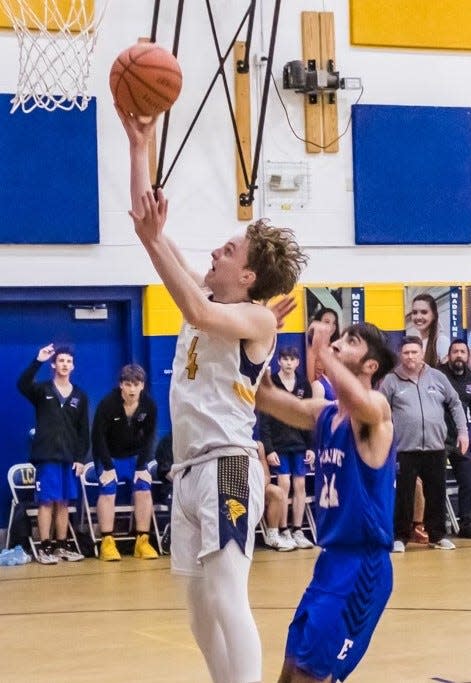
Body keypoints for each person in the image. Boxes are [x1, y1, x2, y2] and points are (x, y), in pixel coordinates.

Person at [118, 108, 308, 683]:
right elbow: (150, 227)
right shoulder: (208, 293)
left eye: (228, 250)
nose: (215, 253)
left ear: (249, 276)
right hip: (188, 469)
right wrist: (138, 148)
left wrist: (152, 244)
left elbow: (194, 308)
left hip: (227, 464)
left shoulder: (255, 318)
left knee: (227, 596)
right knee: (200, 614)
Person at [256, 321, 397, 683]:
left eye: (350, 342)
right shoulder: (326, 414)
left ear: (370, 367)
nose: (336, 345)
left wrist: (319, 352)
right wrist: (256, 342)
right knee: (289, 673)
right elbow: (268, 398)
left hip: (363, 567)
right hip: (329, 564)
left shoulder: (376, 412)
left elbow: (363, 402)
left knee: (311, 676)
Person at [380, 336, 468, 552]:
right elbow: (379, 410)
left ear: (421, 353)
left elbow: (456, 403)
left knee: (436, 493)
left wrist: (463, 432)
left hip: (436, 447)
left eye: (414, 352)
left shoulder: (437, 377)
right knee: (404, 495)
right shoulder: (391, 381)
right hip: (404, 449)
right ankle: (400, 537)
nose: (410, 356)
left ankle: (437, 536)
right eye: (406, 353)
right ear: (401, 355)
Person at [17, 344, 89, 564]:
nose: (65, 364)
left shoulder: (80, 396)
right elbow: (22, 384)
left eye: (68, 361)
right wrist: (37, 359)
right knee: (47, 502)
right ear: (53, 364)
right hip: (46, 456)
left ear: (73, 366)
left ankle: (62, 545)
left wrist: (80, 458)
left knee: (64, 502)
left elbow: (83, 431)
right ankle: (45, 547)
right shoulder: (42, 391)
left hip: (69, 457)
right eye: (61, 361)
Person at [92, 364, 158, 561]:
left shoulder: (149, 406)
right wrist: (108, 467)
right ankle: (107, 542)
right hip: (108, 456)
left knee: (144, 488)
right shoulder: (107, 404)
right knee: (108, 489)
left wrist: (141, 466)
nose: (131, 389)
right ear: (121, 385)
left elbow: (150, 437)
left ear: (142, 386)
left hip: (135, 457)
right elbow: (97, 438)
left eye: (136, 384)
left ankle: (142, 541)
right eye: (127, 384)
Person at [258, 346, 315, 550]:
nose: (289, 363)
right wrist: (269, 448)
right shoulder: (271, 383)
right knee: (284, 484)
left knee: (300, 485)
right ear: (279, 361)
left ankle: (297, 529)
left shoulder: (303, 384)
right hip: (279, 445)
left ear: (298, 362)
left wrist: (311, 446)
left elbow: (308, 416)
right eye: (285, 359)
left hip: (299, 444)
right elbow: (263, 420)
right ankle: (282, 529)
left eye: (293, 359)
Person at [439, 339, 471, 537]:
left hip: (461, 438)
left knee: (468, 478)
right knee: (435, 481)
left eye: (462, 352)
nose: (459, 355)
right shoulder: (439, 375)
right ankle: (434, 525)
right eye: (455, 352)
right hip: (438, 438)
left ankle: (467, 522)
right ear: (449, 355)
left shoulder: (470, 378)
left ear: (467, 357)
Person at [256, 441, 294, 552]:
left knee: (277, 492)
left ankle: (272, 535)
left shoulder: (258, 445)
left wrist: (260, 486)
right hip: (236, 485)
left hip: (257, 485)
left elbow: (266, 474)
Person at [406, 293, 450, 367]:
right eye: (414, 312)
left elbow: (447, 376)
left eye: (424, 312)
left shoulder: (441, 341)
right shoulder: (416, 341)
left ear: (434, 315)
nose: (418, 317)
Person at [306, 308, 340, 384]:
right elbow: (310, 382)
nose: (331, 326)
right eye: (327, 322)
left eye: (334, 323)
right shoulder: (311, 348)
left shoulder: (335, 347)